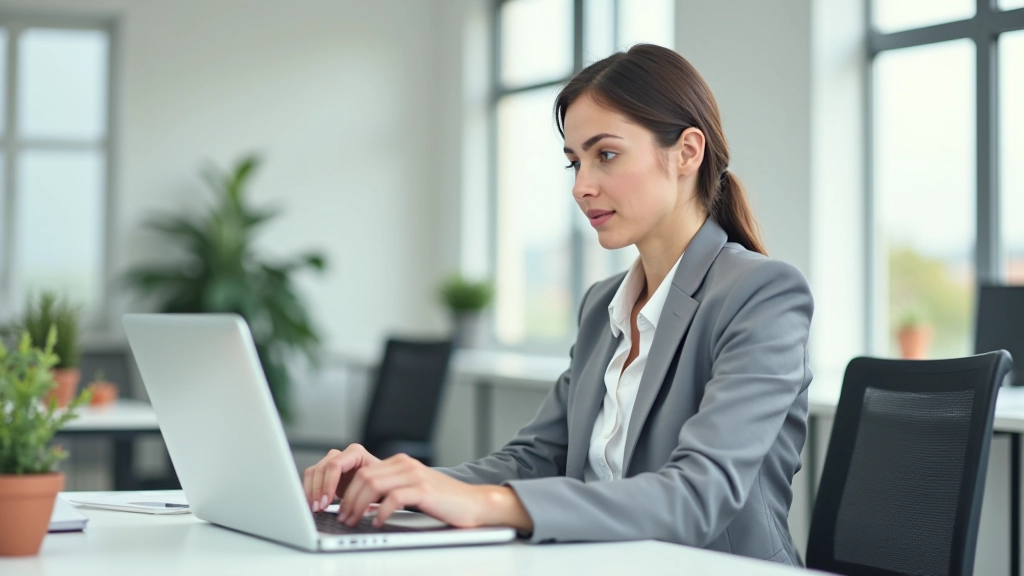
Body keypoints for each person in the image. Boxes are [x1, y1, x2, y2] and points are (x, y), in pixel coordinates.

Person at [303, 43, 813, 566]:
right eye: (574, 163)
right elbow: (536, 459)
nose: (581, 187)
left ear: (687, 152)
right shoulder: (603, 306)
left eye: (606, 155)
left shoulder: (762, 294)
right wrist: (398, 481)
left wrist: (486, 505)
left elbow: (696, 497)